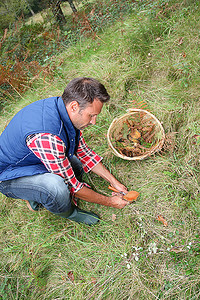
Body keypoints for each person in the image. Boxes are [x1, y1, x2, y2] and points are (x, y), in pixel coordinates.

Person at [0, 77, 128, 225]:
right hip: (7, 175)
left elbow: (84, 153)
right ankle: (70, 212)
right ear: (74, 106)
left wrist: (114, 182)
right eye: (91, 115)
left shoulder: (63, 109)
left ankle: (34, 195)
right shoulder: (48, 137)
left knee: (77, 165)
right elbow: (73, 186)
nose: (94, 122)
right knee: (57, 187)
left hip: (33, 158)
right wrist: (110, 202)